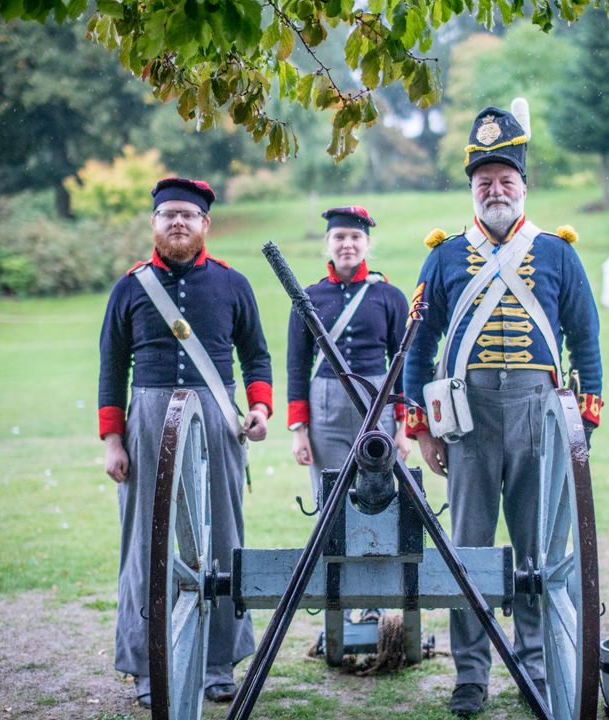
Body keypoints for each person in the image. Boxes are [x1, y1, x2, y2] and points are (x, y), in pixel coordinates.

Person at [403, 105, 603, 716]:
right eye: (484, 182)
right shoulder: (442, 256)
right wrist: (424, 427)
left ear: (523, 186)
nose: (495, 191)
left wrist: (583, 422)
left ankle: (535, 668)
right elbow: (419, 345)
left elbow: (585, 338)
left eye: (505, 181)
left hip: (539, 415)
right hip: (467, 418)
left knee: (539, 550)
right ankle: (471, 676)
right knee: (469, 553)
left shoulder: (557, 253)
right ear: (472, 189)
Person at [98, 177, 272, 708]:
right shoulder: (130, 287)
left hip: (217, 419)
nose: (178, 222)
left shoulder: (232, 283)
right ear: (154, 223)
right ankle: (149, 667)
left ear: (204, 225)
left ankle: (218, 662)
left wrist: (260, 409)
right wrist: (112, 440)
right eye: (168, 214)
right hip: (147, 418)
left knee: (223, 540)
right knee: (143, 550)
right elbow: (111, 369)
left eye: (187, 215)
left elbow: (256, 356)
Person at [287, 205, 411, 505]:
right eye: (339, 236)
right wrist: (299, 430)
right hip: (325, 406)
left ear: (367, 243)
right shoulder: (309, 297)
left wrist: (404, 428)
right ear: (327, 243)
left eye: (356, 237)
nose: (347, 244)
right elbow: (297, 365)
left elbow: (402, 363)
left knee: (380, 498)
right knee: (331, 499)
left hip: (377, 402)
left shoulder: (390, 296)